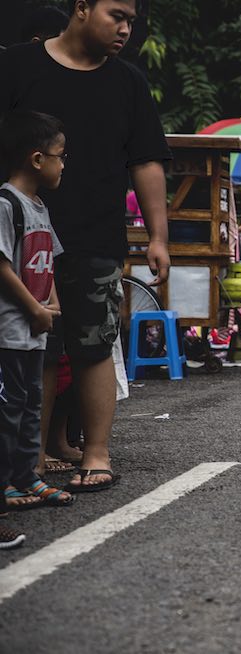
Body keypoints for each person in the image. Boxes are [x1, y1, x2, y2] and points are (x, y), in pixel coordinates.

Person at [1, 0, 172, 493]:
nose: (125, 29)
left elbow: (147, 161)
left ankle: (96, 451)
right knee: (38, 348)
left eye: (131, 22)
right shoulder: (16, 65)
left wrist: (157, 237)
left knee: (95, 344)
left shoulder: (129, 83)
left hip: (96, 235)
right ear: (81, 8)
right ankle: (28, 457)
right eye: (116, 16)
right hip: (19, 235)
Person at [0, 110, 74, 527]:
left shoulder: (40, 207)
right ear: (36, 159)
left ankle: (28, 475)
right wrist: (34, 308)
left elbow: (47, 262)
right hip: (12, 327)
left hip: (37, 326)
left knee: (31, 403)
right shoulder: (6, 203)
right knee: (10, 406)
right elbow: (2, 265)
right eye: (60, 155)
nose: (64, 164)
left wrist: (53, 306)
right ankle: (8, 480)